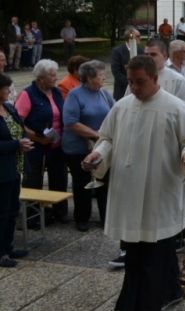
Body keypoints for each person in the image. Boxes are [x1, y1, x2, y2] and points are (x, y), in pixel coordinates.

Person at [81, 55, 185, 311]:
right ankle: (135, 302)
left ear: (154, 78)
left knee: (154, 261)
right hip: (128, 194)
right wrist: (98, 155)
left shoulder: (174, 107)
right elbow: (107, 138)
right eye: (131, 82)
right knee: (135, 258)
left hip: (158, 197)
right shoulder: (122, 106)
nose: (135, 88)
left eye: (140, 82)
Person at [62, 60, 113, 231]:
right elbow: (70, 122)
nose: (104, 77)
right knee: (82, 183)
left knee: (103, 182)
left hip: (101, 147)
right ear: (90, 78)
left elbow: (115, 113)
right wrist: (96, 134)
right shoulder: (75, 95)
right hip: (79, 147)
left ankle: (106, 217)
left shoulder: (104, 94)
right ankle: (82, 218)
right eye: (101, 75)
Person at [16, 59, 68, 225]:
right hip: (36, 146)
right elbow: (18, 122)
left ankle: (60, 212)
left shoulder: (57, 92)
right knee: (33, 180)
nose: (56, 78)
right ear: (40, 78)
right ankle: (32, 217)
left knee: (59, 178)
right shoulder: (28, 94)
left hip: (57, 145)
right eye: (52, 75)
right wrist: (38, 138)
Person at [0, 73, 33, 267]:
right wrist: (16, 144)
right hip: (2, 170)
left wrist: (25, 140)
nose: (10, 92)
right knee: (2, 211)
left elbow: (20, 128)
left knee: (12, 209)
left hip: (15, 167)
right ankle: (1, 252)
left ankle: (8, 246)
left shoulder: (9, 108)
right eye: (6, 88)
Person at [111, 27, 142, 100]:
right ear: (130, 37)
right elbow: (116, 72)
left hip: (139, 90)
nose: (140, 38)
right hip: (122, 90)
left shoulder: (141, 51)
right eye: (138, 36)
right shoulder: (118, 51)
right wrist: (131, 83)